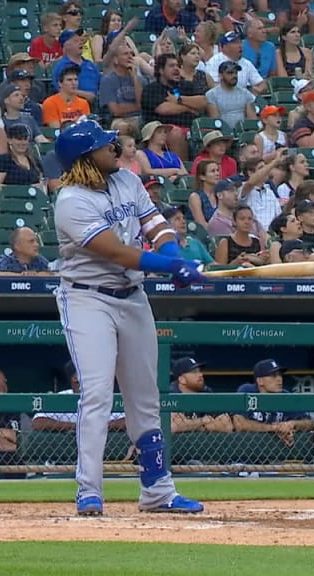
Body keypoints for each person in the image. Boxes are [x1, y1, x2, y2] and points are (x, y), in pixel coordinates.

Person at [52, 118, 206, 516]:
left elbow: (155, 225)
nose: (116, 149)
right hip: (88, 300)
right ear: (86, 158)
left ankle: (158, 491)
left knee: (145, 398)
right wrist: (170, 268)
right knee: (98, 394)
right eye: (107, 146)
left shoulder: (127, 182)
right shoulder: (70, 200)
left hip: (132, 296)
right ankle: (89, 490)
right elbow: (116, 252)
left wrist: (173, 255)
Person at [233, 359, 314, 446]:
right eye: (273, 376)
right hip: (247, 451)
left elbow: (309, 423)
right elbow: (239, 423)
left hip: (274, 456)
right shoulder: (247, 391)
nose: (279, 379)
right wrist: (273, 428)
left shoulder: (285, 396)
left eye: (280, 375)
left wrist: (291, 424)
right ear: (260, 381)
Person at [32, 362, 126, 432]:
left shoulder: (105, 396)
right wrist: (77, 426)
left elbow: (127, 421)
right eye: (77, 380)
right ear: (72, 380)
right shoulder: (62, 397)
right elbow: (37, 422)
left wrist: (102, 426)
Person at [168, 356, 232, 434]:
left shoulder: (206, 392)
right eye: (194, 372)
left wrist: (196, 426)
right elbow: (174, 426)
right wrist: (203, 420)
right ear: (182, 379)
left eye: (199, 371)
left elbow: (227, 425)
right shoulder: (172, 393)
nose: (200, 374)